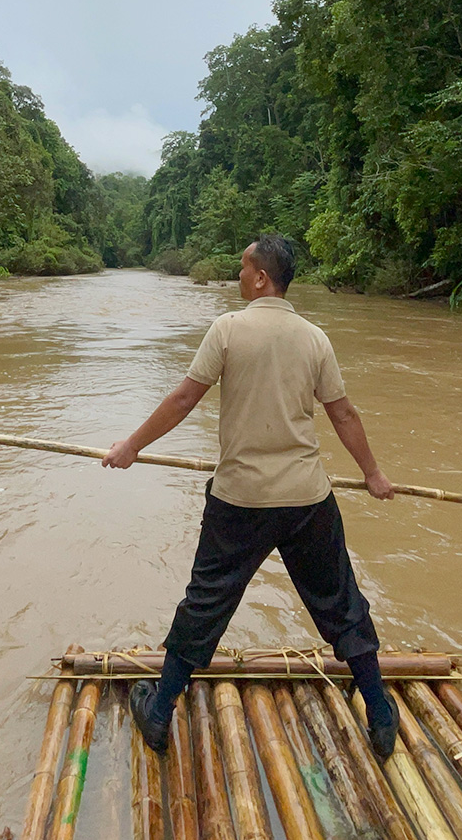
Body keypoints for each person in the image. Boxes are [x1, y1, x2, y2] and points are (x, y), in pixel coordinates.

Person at [102, 233, 400, 760]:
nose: (238, 275)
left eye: (243, 268)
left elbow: (182, 399)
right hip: (306, 499)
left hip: (239, 500)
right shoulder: (314, 338)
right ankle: (379, 714)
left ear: (262, 277)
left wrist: (131, 446)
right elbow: (343, 414)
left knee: (205, 602)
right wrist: (373, 474)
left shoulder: (227, 330)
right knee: (340, 602)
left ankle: (159, 710)